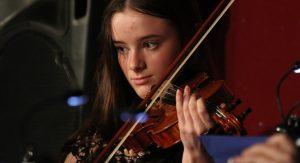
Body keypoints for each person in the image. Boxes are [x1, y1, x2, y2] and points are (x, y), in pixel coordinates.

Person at [61, 0, 216, 162]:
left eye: (149, 44)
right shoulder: (104, 132)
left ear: (185, 38)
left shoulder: (214, 136)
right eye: (122, 48)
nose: (133, 64)